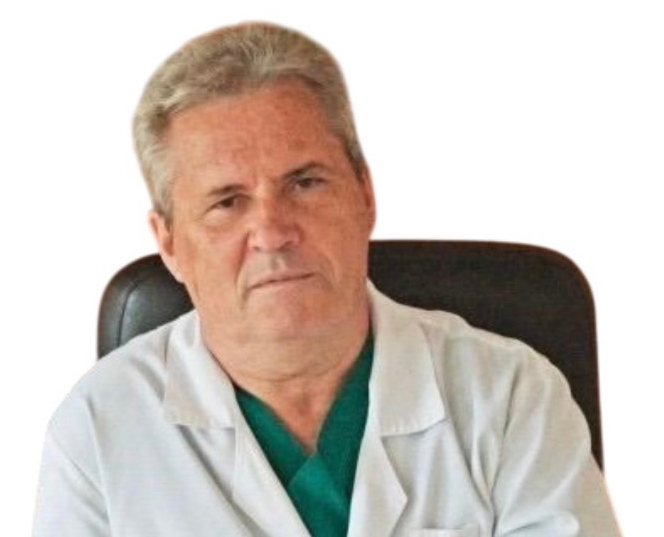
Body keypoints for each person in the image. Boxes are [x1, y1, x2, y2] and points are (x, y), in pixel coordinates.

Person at [33, 22, 621, 537]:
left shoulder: (511, 399)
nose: (272, 231)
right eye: (227, 201)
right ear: (169, 244)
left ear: (365, 194)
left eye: (305, 182)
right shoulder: (98, 430)